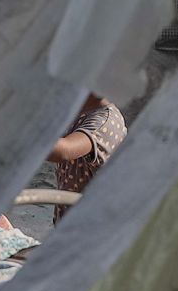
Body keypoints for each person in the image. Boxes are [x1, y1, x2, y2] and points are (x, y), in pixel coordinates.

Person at [48, 94, 126, 222]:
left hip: (93, 222)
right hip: (68, 215)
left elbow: (64, 151)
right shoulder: (78, 109)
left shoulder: (105, 121)